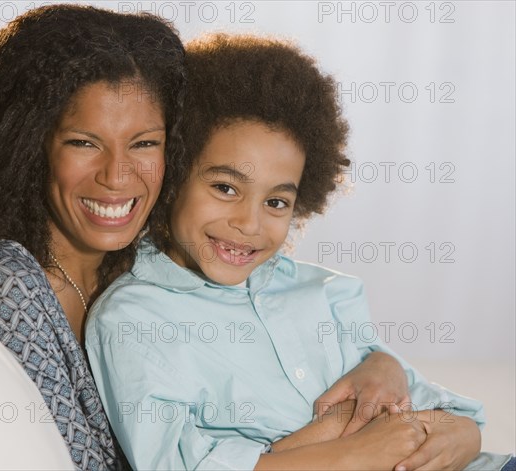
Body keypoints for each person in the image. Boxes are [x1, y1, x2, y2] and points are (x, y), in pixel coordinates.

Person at [86, 34, 515, 470]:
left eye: (276, 202)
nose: (250, 225)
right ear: (173, 175)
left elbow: (452, 417)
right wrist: (351, 446)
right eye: (225, 188)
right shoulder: (132, 320)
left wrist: (457, 428)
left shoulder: (325, 292)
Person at [0, 4, 186, 470]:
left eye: (144, 143)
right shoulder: (6, 287)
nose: (117, 177)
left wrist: (370, 362)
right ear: (28, 147)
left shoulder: (161, 262)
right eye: (83, 143)